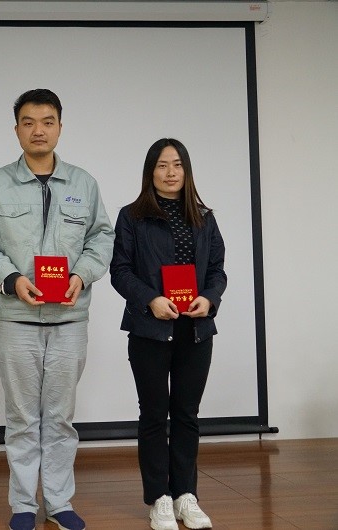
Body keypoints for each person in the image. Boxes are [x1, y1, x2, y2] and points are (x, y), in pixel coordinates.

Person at [0, 88, 114, 530]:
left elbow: (102, 237)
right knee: (21, 417)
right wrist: (13, 278)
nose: (38, 130)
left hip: (69, 319)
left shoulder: (83, 183)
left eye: (47, 122)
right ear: (17, 129)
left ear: (59, 128)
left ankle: (58, 502)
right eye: (29, 122)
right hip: (16, 319)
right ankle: (23, 506)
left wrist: (81, 275)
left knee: (60, 417)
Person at [110, 138, 227, 530]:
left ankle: (185, 496)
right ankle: (159, 498)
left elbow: (217, 270)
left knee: (187, 415)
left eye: (177, 164)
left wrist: (210, 299)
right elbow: (120, 271)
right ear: (151, 171)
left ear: (186, 170)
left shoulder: (204, 217)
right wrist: (151, 300)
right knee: (154, 414)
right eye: (162, 165)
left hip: (195, 329)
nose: (171, 172)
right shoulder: (132, 216)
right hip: (151, 329)